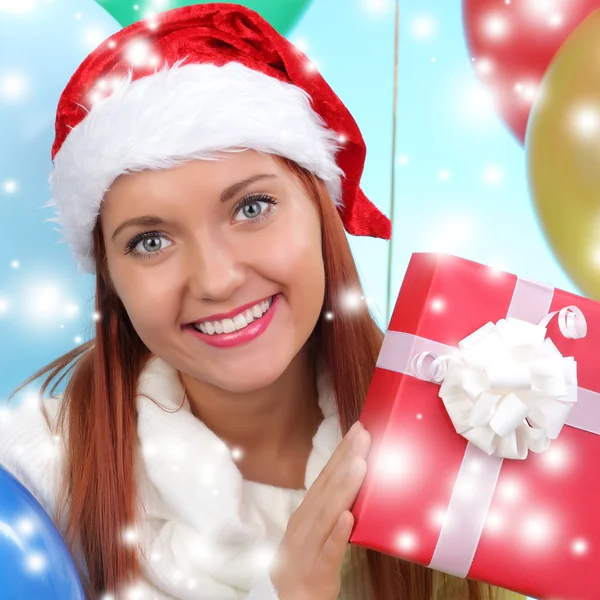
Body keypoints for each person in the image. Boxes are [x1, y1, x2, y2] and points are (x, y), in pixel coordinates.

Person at [0, 4, 525, 600]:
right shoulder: (38, 483)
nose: (217, 280)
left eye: (251, 208)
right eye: (150, 241)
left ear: (322, 211)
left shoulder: (476, 439)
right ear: (111, 279)